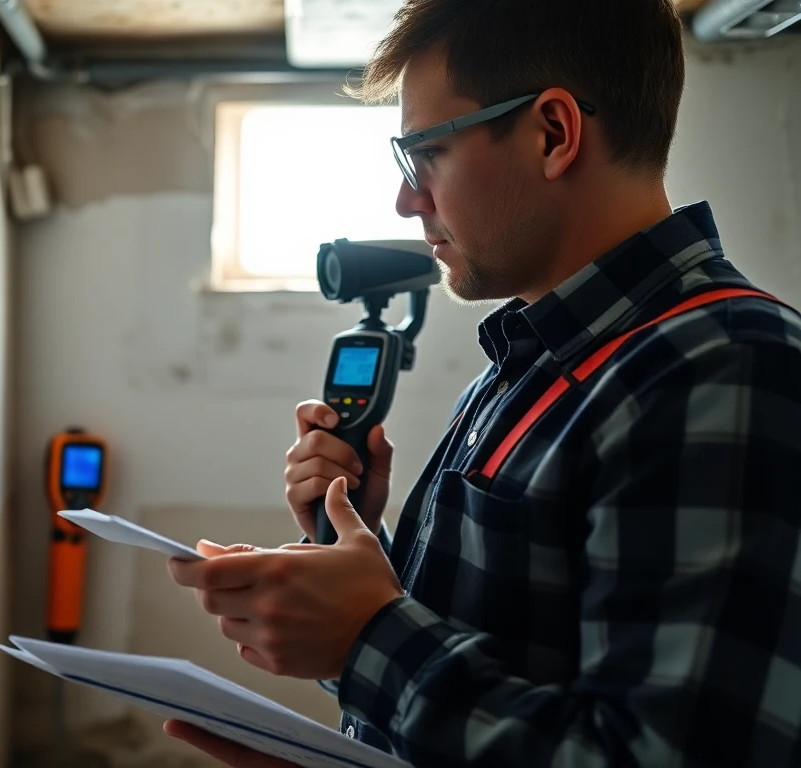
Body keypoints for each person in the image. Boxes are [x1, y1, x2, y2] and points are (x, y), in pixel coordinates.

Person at [165, 0, 801, 765]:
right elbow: (506, 666)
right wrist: (353, 561)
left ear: (552, 134)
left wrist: (368, 634)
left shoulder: (725, 365)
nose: (407, 200)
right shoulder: (532, 361)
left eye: (423, 154)